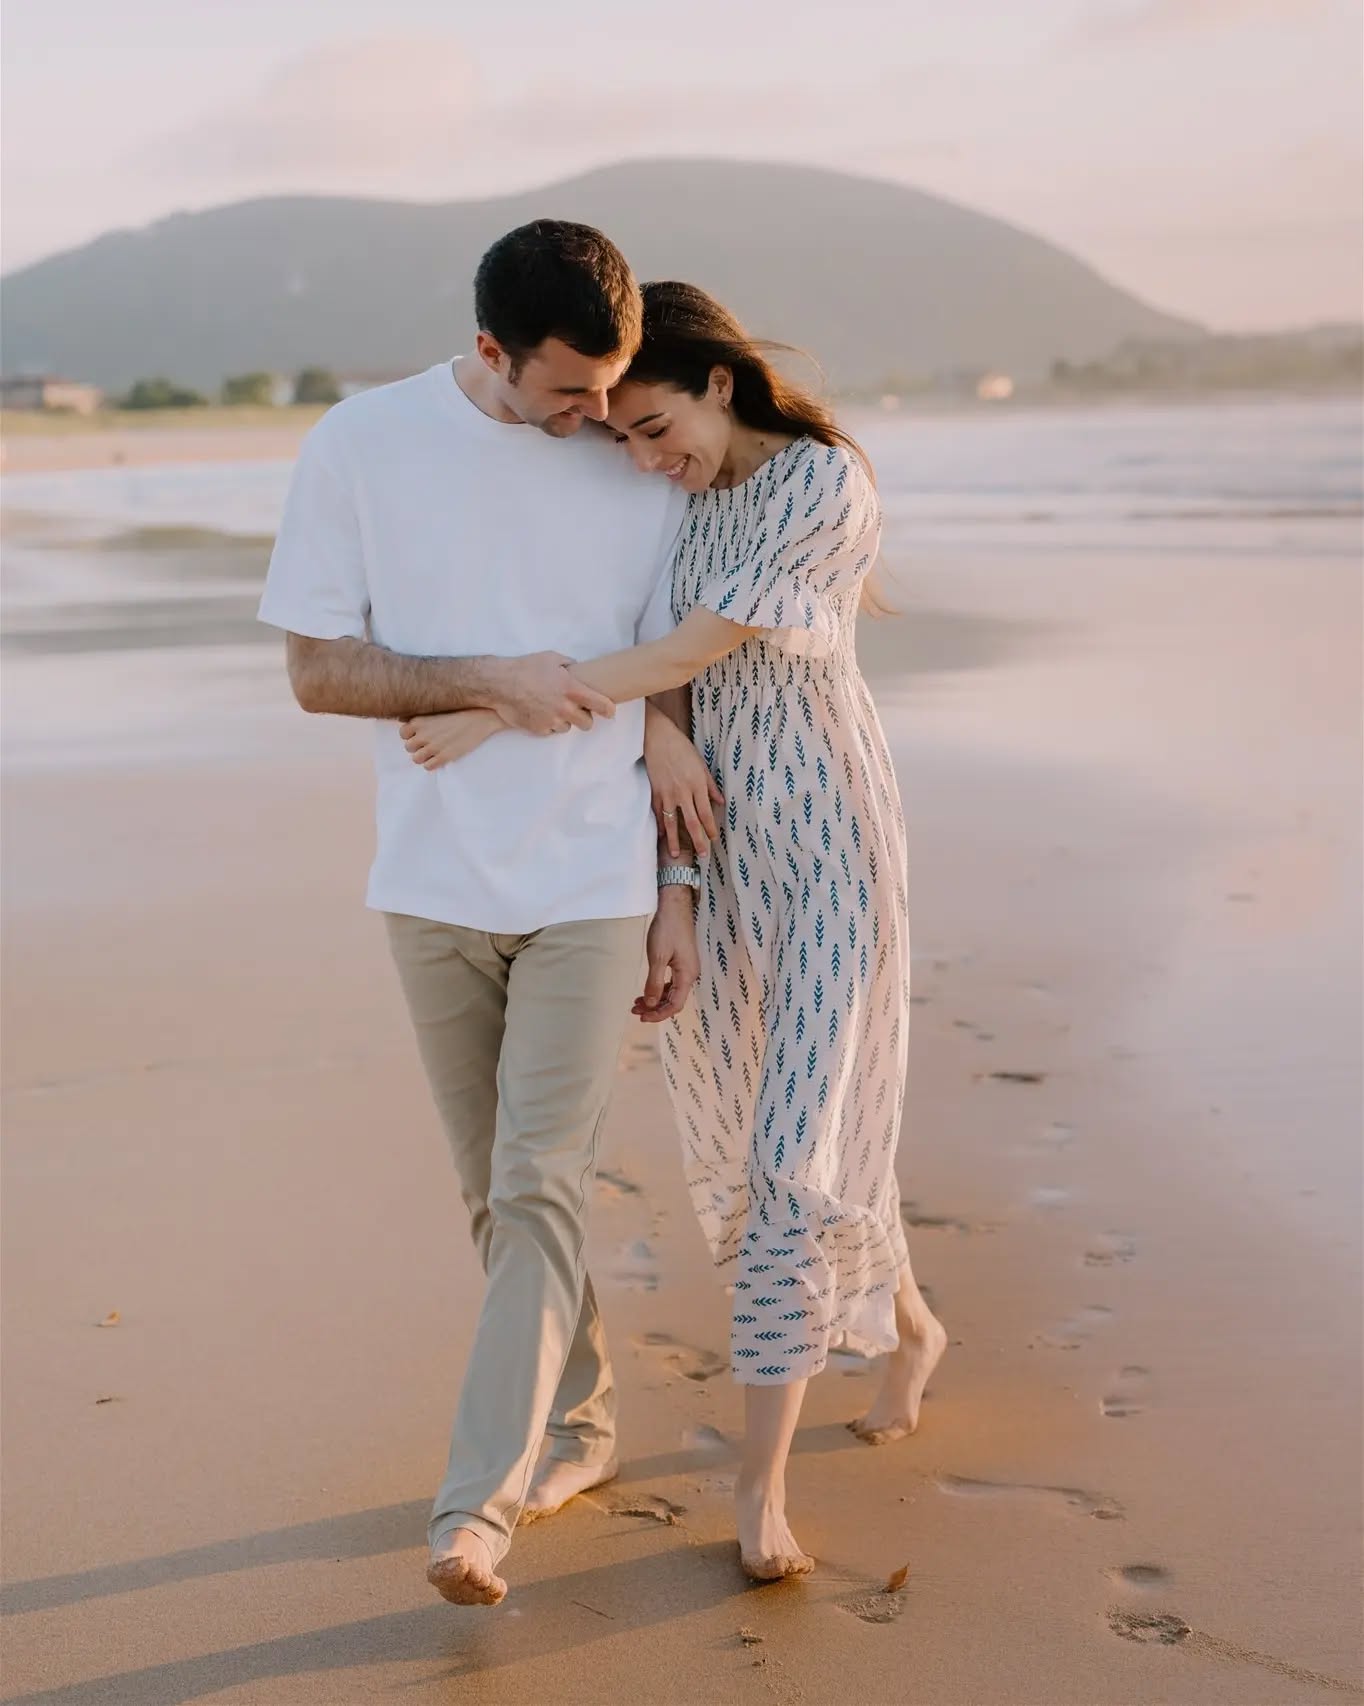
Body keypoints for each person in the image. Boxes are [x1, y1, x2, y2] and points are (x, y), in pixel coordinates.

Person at [401, 281, 948, 1582]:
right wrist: (674, 875)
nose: (648, 459)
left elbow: (698, 642)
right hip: (708, 856)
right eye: (626, 442)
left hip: (829, 859)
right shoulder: (679, 503)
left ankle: (757, 1495)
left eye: (656, 426)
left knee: (787, 1161)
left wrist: (489, 709)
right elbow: (665, 680)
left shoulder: (823, 486)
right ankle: (913, 1323)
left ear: (716, 379)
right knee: (799, 1128)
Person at [258, 226, 719, 1608]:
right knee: (496, 1197)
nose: (602, 424)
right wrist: (494, 683)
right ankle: (577, 1420)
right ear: (490, 354)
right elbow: (317, 669)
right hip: (433, 881)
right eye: (568, 393)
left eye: (614, 389)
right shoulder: (362, 443)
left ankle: (479, 1508)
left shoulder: (633, 463)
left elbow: (673, 682)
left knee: (539, 1189)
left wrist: (679, 890)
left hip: (591, 882)